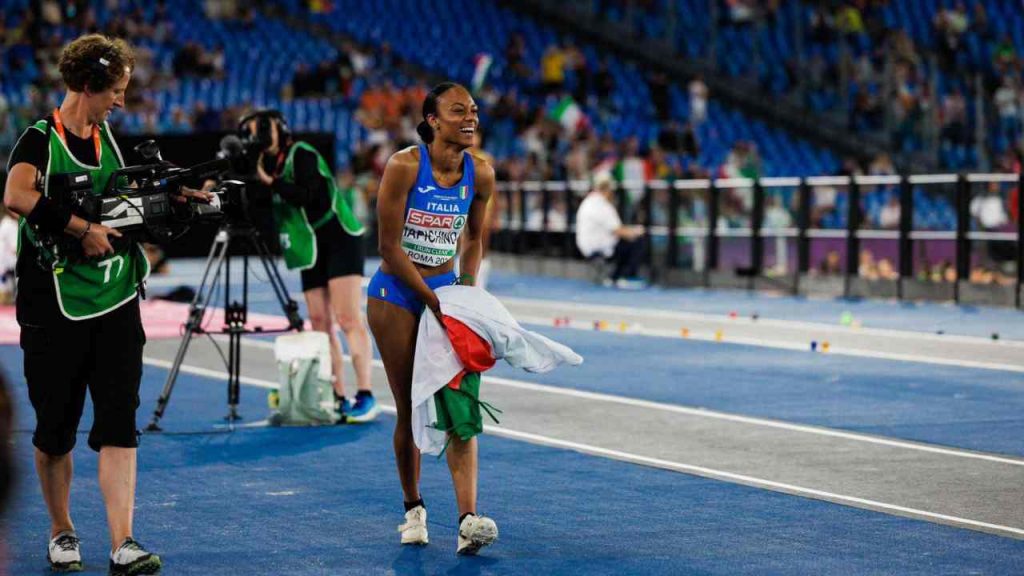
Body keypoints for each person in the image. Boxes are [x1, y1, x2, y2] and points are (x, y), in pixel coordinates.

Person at [2, 33, 183, 575]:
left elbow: (122, 206)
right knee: (55, 429)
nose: (122, 101)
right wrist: (81, 228)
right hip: (52, 303)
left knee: (119, 422)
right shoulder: (39, 139)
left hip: (115, 297)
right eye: (117, 90)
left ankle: (123, 541)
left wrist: (171, 204)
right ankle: (62, 531)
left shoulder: (109, 140)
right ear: (86, 85)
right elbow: (16, 196)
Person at [367, 82, 497, 555]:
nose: (470, 118)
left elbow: (475, 239)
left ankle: (468, 519)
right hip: (396, 294)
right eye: (458, 110)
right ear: (432, 120)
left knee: (460, 406)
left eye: (474, 111)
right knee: (411, 406)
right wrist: (433, 300)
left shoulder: (480, 173)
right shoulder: (404, 167)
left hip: (445, 292)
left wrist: (464, 289)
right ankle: (413, 508)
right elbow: (388, 247)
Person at [245, 110, 379, 423]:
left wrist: (272, 182)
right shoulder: (266, 165)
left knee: (348, 318)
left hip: (339, 238)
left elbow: (310, 195)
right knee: (319, 322)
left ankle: (366, 394)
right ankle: (337, 394)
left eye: (261, 132)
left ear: (279, 130)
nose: (257, 139)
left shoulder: (302, 154)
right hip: (311, 246)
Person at [575, 172, 645, 288]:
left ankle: (615, 277)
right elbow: (619, 231)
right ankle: (622, 277)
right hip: (598, 248)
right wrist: (637, 231)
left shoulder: (588, 202)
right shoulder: (601, 205)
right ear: (607, 188)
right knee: (638, 241)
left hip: (589, 246)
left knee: (627, 240)